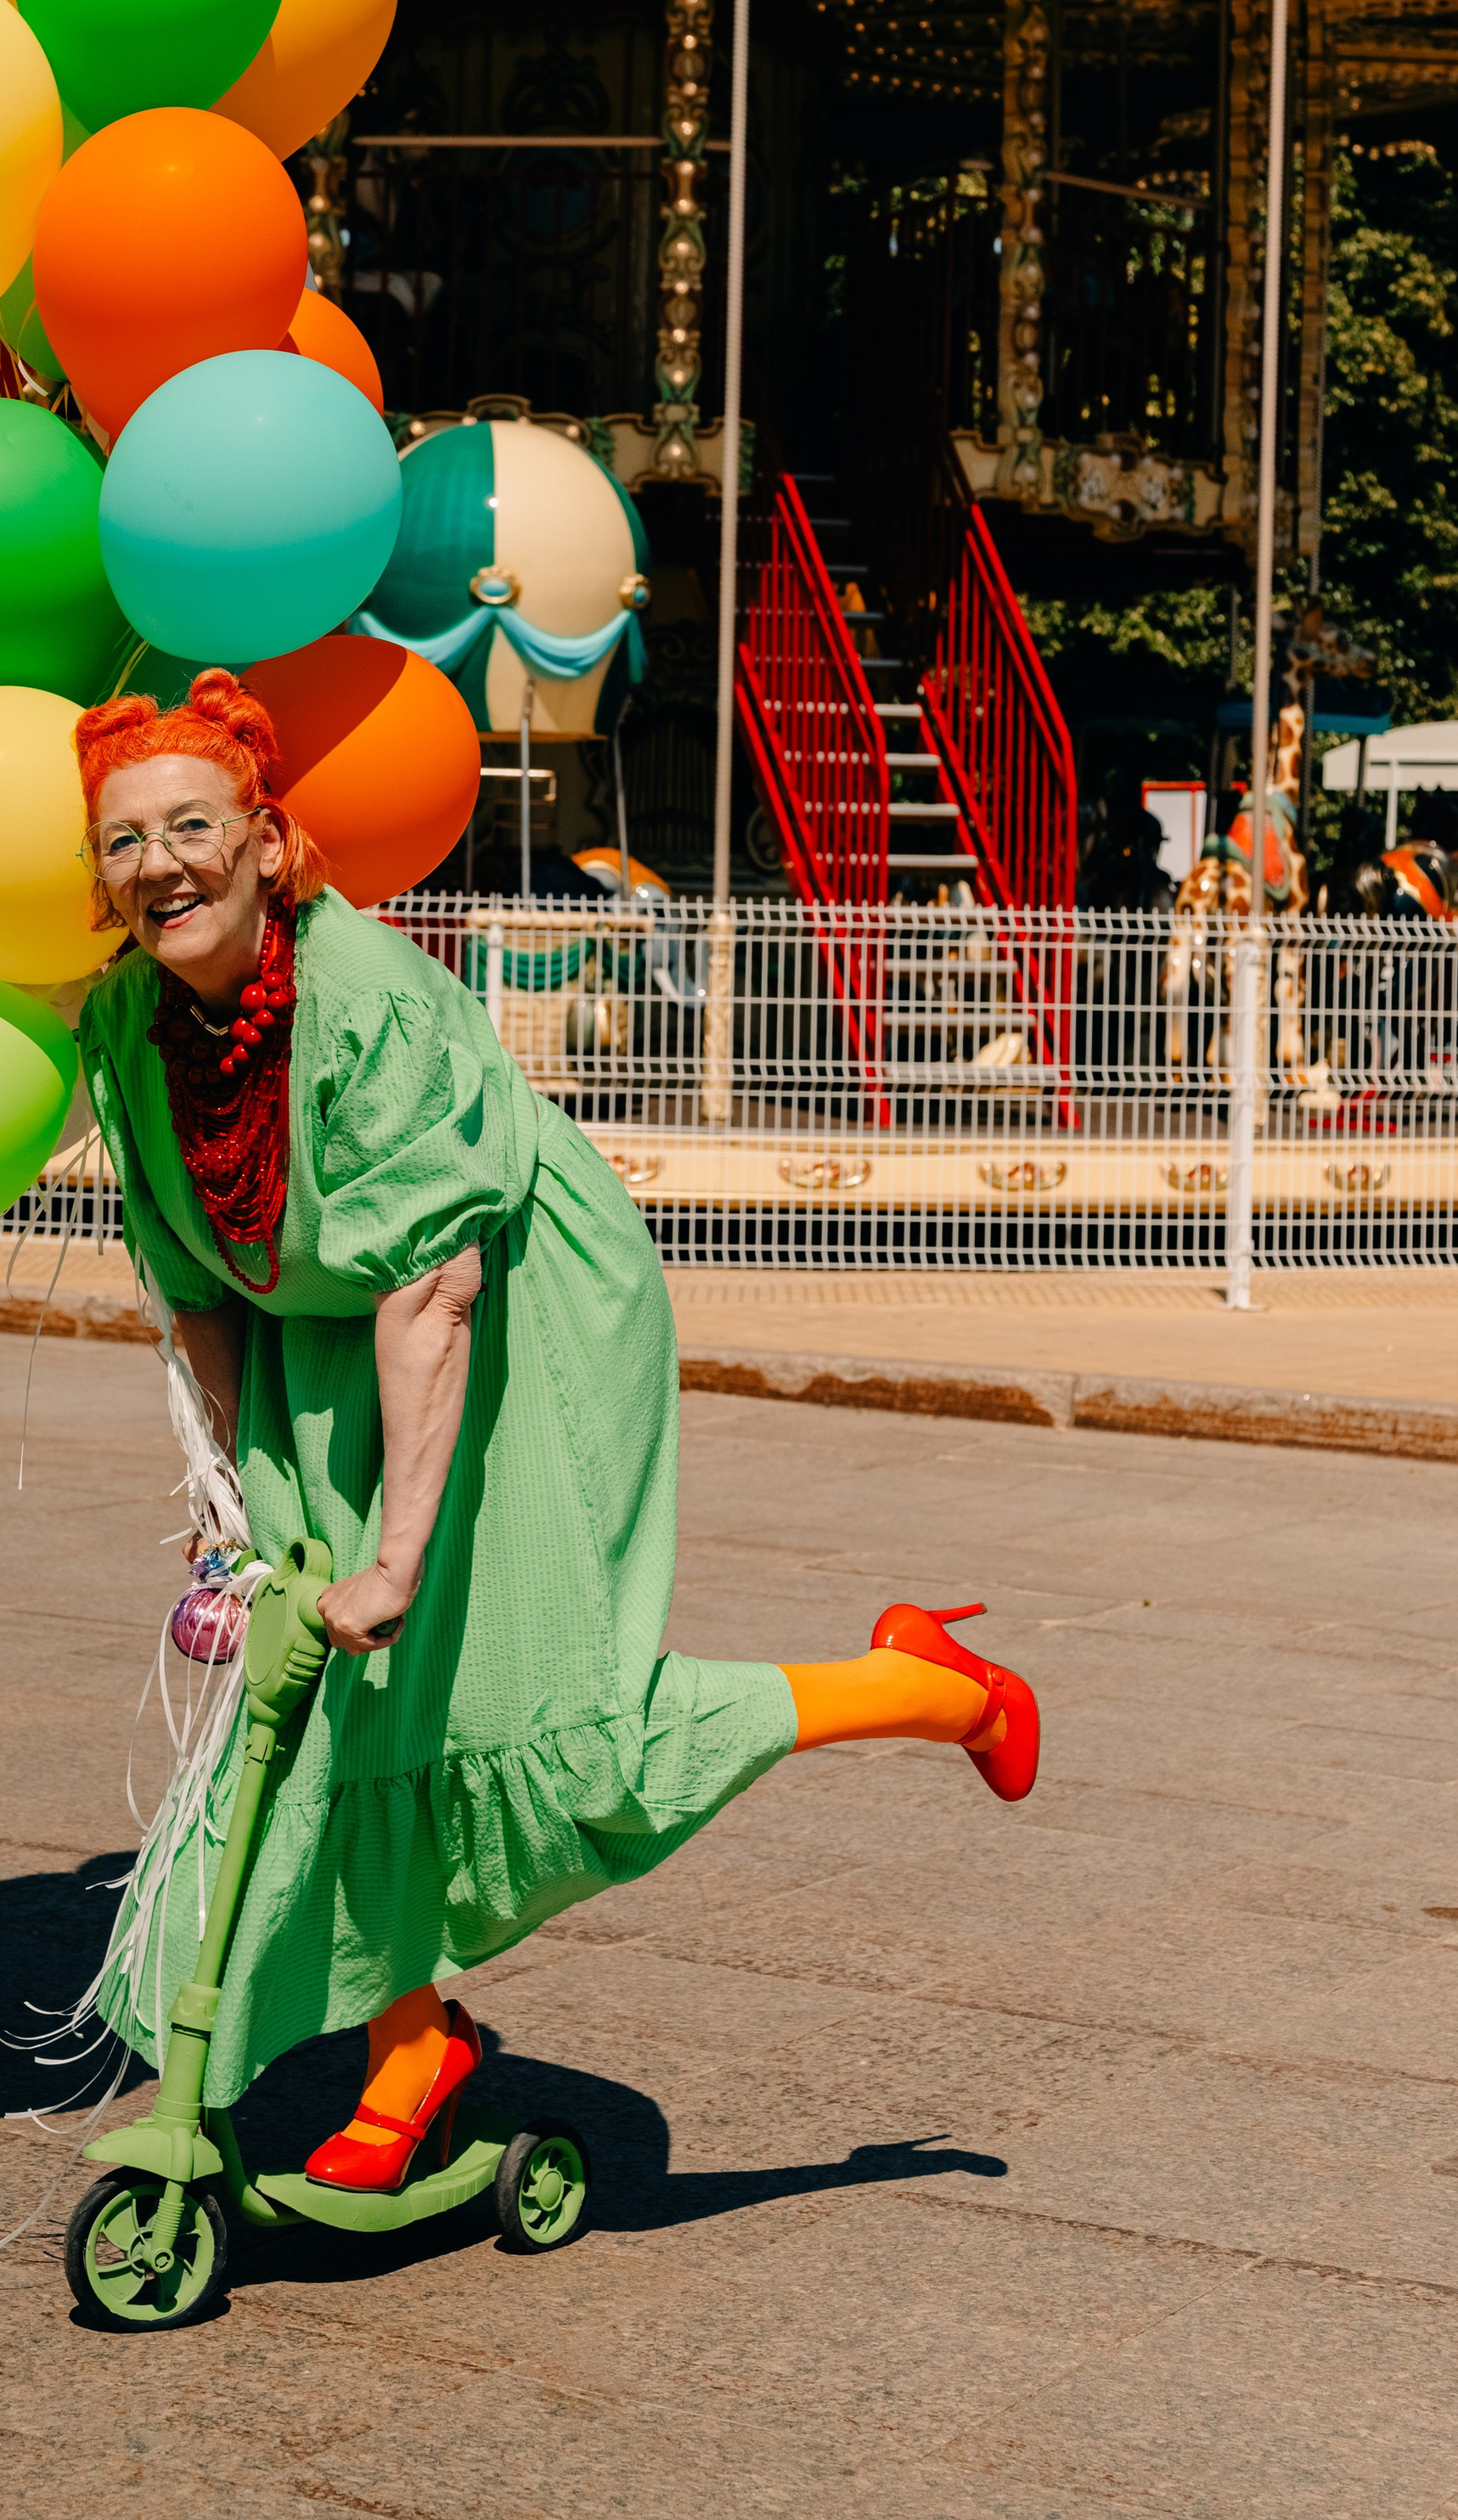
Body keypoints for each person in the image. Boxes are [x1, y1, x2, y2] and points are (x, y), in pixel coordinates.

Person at [73, 672, 1039, 2193]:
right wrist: (230, 1501)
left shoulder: (373, 1004)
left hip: (516, 1304)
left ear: (268, 839)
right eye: (123, 842)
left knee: (569, 1733)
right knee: (328, 1709)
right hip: (319, 1332)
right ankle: (412, 2053)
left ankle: (924, 1687)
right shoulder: (127, 1023)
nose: (161, 866)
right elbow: (196, 1285)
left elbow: (433, 1290)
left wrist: (397, 1550)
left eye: (193, 826)